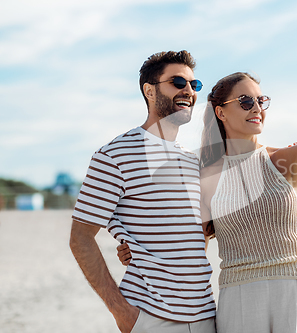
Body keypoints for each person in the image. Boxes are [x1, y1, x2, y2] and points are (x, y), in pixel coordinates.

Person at [118, 72, 297, 333]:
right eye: (246, 101)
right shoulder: (203, 174)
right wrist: (139, 248)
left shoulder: (283, 161)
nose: (257, 108)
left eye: (262, 101)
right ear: (221, 112)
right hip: (239, 295)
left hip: (296, 290)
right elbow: (187, 240)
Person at [69, 50, 217, 333]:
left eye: (194, 85)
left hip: (205, 315)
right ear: (150, 90)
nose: (189, 90)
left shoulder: (192, 161)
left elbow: (195, 236)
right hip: (150, 317)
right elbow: (80, 237)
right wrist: (123, 313)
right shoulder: (114, 155)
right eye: (177, 82)